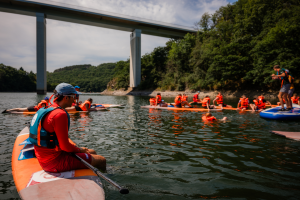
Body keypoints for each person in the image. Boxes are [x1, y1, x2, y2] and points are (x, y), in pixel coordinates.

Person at [29, 83, 106, 173]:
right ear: (66, 98)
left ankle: (92, 167)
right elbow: (65, 146)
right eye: (73, 96)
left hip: (45, 158)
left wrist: (79, 150)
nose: (74, 99)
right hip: (54, 162)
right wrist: (80, 149)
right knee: (102, 160)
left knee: (92, 151)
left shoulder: (46, 109)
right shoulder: (59, 114)